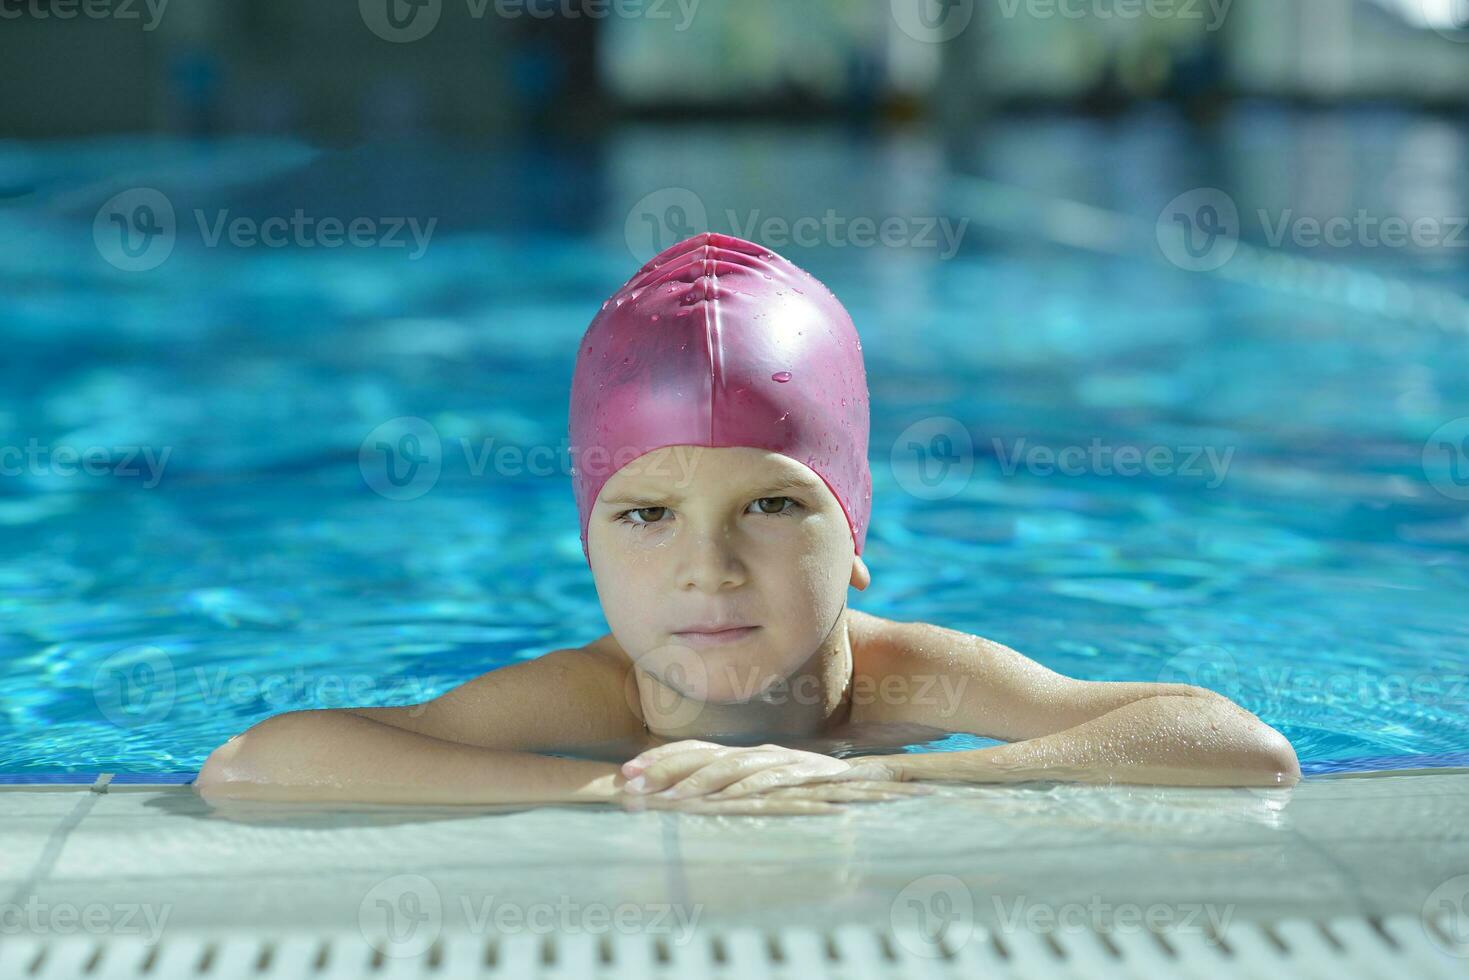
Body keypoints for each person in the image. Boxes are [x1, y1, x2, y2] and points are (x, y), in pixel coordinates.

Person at [194, 233, 1299, 814]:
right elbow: (252, 763)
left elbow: (1238, 745)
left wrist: (876, 778)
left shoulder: (903, 681)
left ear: (855, 532)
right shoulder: (584, 703)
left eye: (772, 504)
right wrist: (621, 787)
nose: (706, 569)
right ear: (587, 546)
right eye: (645, 514)